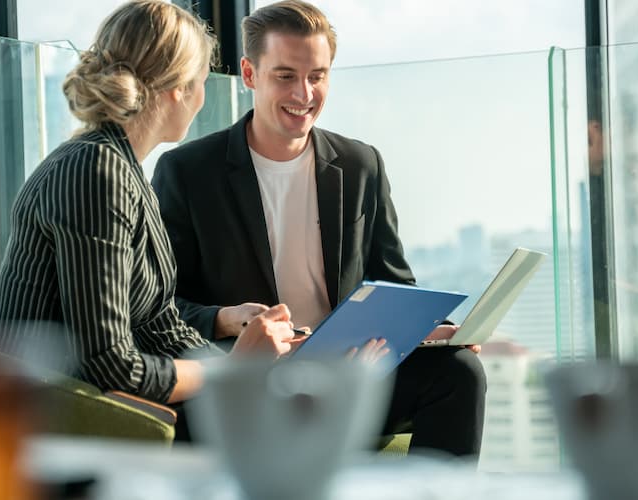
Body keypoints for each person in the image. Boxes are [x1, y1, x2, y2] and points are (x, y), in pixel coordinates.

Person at [152, 0, 486, 457]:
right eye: (285, 76)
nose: (304, 94)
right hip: (251, 377)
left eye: (318, 76)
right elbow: (164, 308)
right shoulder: (188, 171)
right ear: (250, 74)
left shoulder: (360, 163)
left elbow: (394, 283)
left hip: (353, 374)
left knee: (459, 370)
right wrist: (228, 320)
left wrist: (431, 331)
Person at [0, 0, 297, 407]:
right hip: (47, 425)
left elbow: (158, 324)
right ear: (177, 90)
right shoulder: (95, 171)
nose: (203, 96)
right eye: (202, 80)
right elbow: (109, 366)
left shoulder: (122, 169)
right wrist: (234, 368)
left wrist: (242, 351)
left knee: (285, 406)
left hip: (89, 412)